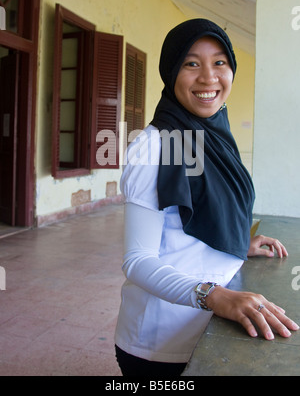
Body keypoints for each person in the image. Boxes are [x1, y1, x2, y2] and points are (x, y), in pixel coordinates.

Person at [114, 19, 299, 377]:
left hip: (208, 324)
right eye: (191, 63)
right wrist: (215, 296)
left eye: (220, 63)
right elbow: (137, 261)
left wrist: (233, 240)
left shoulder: (215, 133)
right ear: (171, 72)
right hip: (161, 344)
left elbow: (197, 219)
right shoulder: (155, 146)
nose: (208, 78)